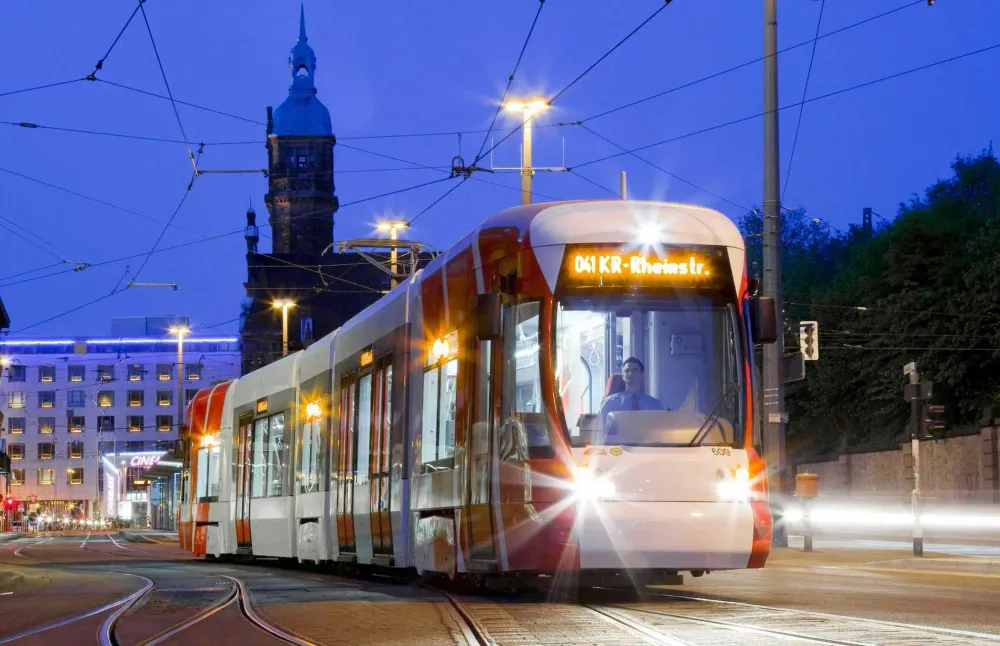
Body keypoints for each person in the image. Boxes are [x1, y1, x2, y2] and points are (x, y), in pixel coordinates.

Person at [599, 356, 662, 427]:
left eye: (635, 370)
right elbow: (600, 430)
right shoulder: (610, 402)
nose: (630, 373)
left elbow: (660, 431)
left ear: (641, 375)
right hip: (619, 438)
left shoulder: (654, 405)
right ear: (623, 376)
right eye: (627, 371)